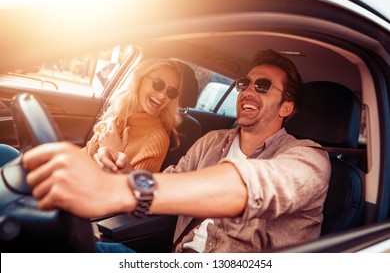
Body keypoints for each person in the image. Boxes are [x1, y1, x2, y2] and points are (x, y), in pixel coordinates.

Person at [22, 49, 331, 253]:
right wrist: (124, 170)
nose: (248, 91)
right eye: (244, 83)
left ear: (287, 107)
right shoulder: (212, 141)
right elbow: (170, 184)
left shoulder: (310, 160)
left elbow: (252, 185)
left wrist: (122, 188)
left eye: (262, 86)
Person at [85, 58, 183, 173]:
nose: (162, 96)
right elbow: (87, 152)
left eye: (171, 92)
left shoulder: (156, 139)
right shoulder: (119, 111)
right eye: (158, 84)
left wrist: (111, 152)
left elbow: (129, 188)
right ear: (140, 79)